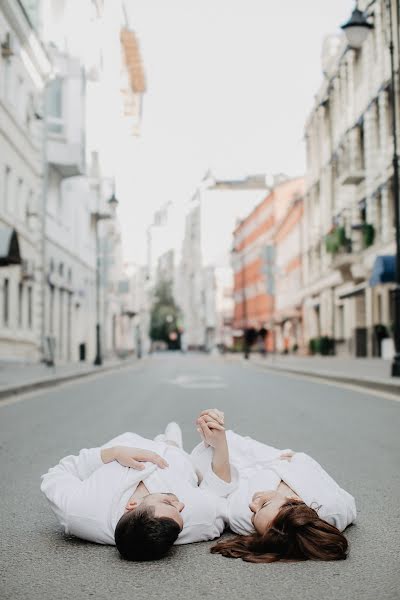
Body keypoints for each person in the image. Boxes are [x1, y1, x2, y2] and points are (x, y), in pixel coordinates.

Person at [41, 411, 237, 561]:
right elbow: (220, 493)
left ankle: (165, 440)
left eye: (169, 504)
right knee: (181, 453)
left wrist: (113, 453)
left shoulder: (78, 511)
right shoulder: (198, 521)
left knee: (130, 442)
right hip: (178, 460)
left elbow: (56, 475)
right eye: (180, 513)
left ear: (132, 505)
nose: (181, 506)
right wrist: (220, 443)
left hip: (128, 443)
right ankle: (172, 442)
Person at [191, 415, 356, 564]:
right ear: (296, 501)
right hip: (273, 458)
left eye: (255, 516)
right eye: (264, 504)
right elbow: (311, 468)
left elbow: (221, 487)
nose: (253, 507)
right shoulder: (334, 510)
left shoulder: (242, 516)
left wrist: (221, 445)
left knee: (211, 446)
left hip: (235, 466)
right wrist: (296, 458)